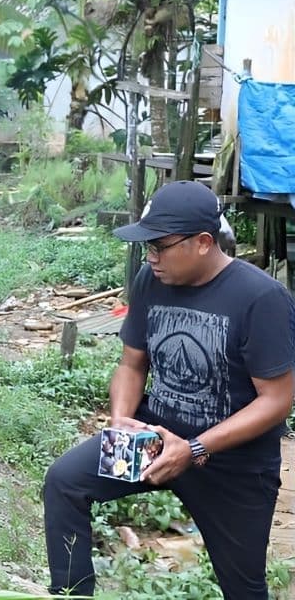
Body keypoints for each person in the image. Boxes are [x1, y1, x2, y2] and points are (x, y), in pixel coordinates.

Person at [43, 180, 295, 598]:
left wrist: (194, 448)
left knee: (243, 586)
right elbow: (132, 363)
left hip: (232, 464)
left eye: (160, 246)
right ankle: (71, 595)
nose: (151, 257)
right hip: (153, 441)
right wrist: (122, 419)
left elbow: (277, 400)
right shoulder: (150, 280)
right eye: (148, 247)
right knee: (65, 482)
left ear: (203, 243)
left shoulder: (261, 298)